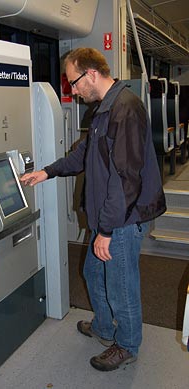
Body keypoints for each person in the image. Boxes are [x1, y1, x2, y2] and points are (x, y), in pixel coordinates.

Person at [20, 48, 166, 371]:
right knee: (92, 272)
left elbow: (126, 179)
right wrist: (47, 171)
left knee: (120, 284)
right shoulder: (104, 110)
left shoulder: (125, 109)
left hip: (123, 220)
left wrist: (106, 231)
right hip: (112, 216)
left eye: (74, 82)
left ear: (91, 74)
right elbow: (83, 154)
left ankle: (127, 344)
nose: (72, 90)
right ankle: (103, 326)